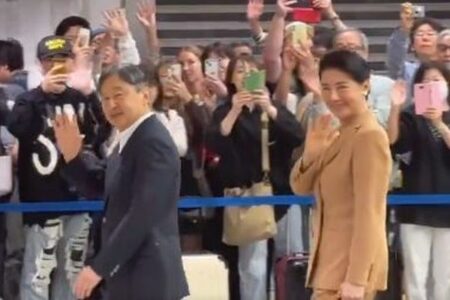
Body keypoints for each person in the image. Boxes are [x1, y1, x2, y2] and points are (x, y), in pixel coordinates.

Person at [53, 65, 189, 300]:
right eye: (105, 98)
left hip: (148, 274)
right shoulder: (128, 138)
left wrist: (99, 267)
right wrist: (72, 157)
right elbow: (100, 189)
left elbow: (143, 213)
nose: (111, 104)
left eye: (118, 95)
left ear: (145, 95)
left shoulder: (152, 140)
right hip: (129, 274)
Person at [290, 50, 392, 300]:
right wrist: (311, 154)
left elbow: (369, 213)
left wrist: (356, 279)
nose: (333, 96)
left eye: (342, 87)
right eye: (326, 88)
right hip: (329, 268)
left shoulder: (369, 136)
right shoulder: (338, 132)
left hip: (349, 275)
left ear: (365, 86)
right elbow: (300, 188)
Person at [210, 55, 304, 300]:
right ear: (231, 78)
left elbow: (296, 136)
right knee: (253, 265)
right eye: (240, 71)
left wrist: (270, 109)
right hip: (247, 195)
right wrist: (234, 110)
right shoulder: (223, 110)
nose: (246, 75)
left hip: (281, 193)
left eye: (252, 71)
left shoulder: (272, 108)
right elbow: (215, 142)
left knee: (290, 258)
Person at [388, 63, 450, 300]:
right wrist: (395, 107)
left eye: (438, 80)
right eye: (426, 82)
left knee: (444, 277)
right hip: (415, 207)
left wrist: (439, 123)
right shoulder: (411, 115)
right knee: (416, 275)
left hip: (447, 207)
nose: (432, 85)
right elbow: (393, 141)